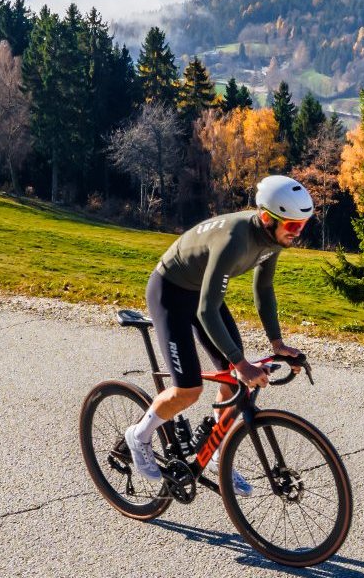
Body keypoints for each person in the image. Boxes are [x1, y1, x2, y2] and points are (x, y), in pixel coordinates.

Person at [125, 175, 312, 496]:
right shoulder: (235, 240)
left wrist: (277, 344)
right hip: (170, 291)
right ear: (268, 218)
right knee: (189, 390)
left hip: (201, 294)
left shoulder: (271, 239)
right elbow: (206, 312)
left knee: (231, 382)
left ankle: (214, 454)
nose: (297, 233)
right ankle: (139, 435)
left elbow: (264, 289)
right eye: (292, 226)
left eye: (302, 225)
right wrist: (241, 363)